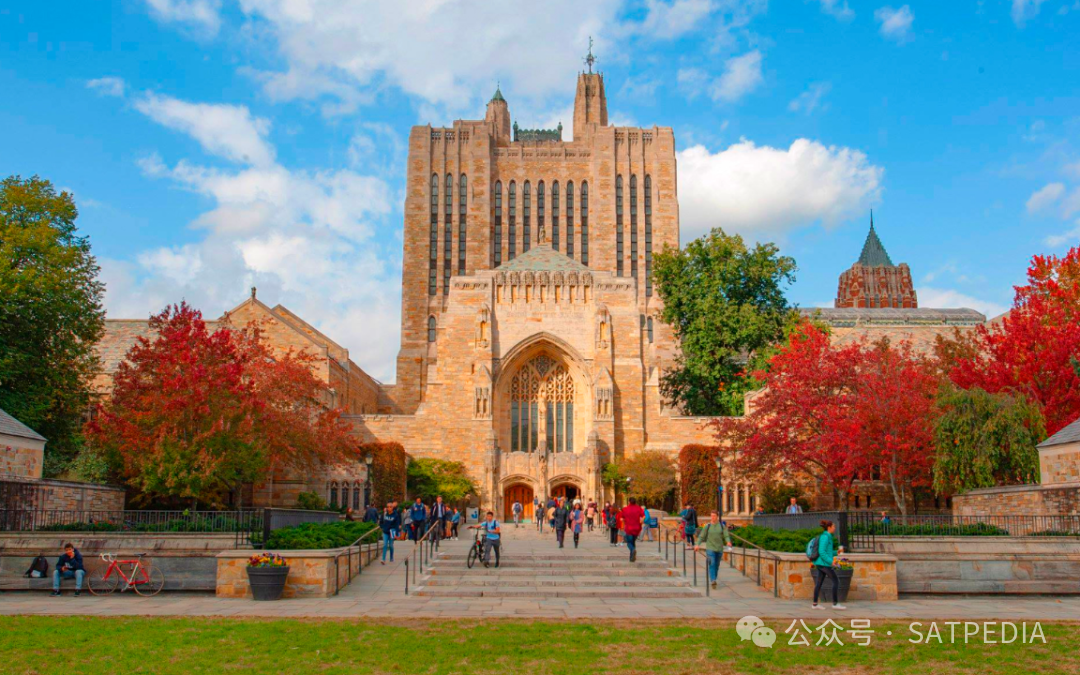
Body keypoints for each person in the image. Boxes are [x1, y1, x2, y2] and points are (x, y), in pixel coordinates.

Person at [811, 519, 845, 610]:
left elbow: (827, 551)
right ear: (829, 527)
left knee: (819, 583)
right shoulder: (825, 537)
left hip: (821, 563)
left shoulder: (827, 536)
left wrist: (836, 552)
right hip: (824, 564)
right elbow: (821, 552)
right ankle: (835, 604)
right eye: (833, 526)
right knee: (836, 581)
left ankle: (815, 604)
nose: (835, 528)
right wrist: (831, 562)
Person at [694, 511, 727, 589]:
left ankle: (714, 577)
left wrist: (728, 541)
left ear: (717, 517)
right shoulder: (707, 526)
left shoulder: (722, 526)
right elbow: (701, 536)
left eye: (714, 516)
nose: (712, 517)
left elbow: (726, 535)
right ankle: (713, 580)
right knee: (712, 563)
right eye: (711, 516)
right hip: (710, 548)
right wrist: (697, 544)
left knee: (716, 565)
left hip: (719, 548)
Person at [620, 497, 646, 562]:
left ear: (629, 502)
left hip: (629, 528)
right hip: (637, 528)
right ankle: (632, 557)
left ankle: (632, 550)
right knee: (633, 541)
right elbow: (644, 516)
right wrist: (641, 522)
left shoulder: (625, 509)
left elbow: (622, 518)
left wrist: (623, 523)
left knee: (629, 542)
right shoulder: (639, 508)